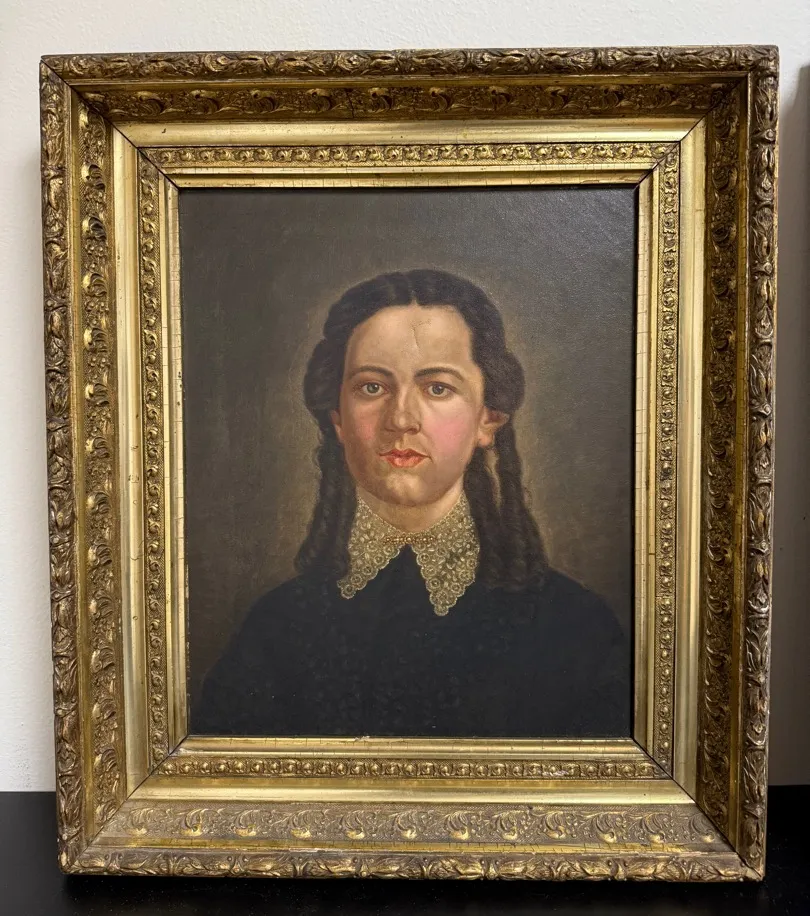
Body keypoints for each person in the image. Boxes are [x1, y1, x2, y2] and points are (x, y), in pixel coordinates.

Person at [193, 269, 631, 738]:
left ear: (488, 418)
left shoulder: (574, 628)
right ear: (337, 419)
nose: (401, 419)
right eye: (372, 387)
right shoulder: (275, 629)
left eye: (437, 387)